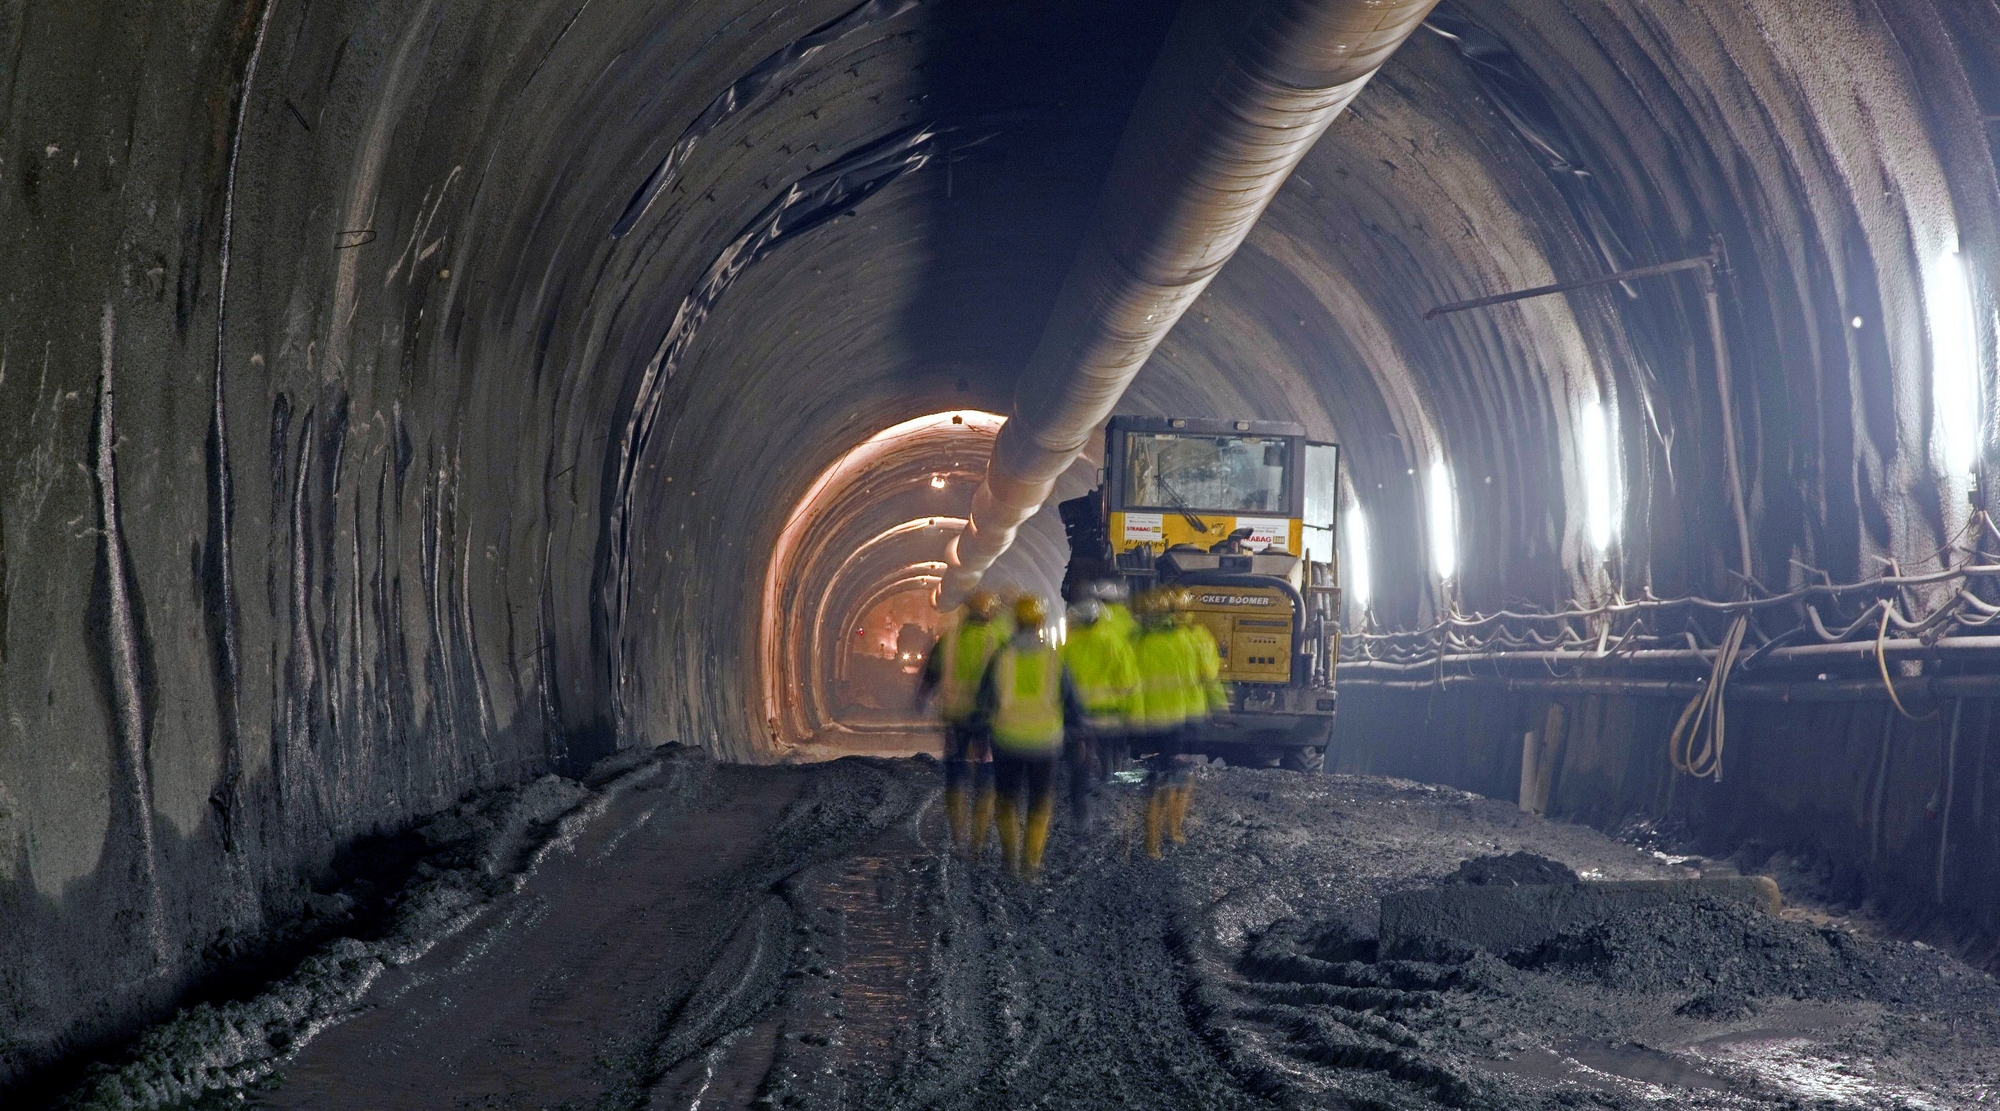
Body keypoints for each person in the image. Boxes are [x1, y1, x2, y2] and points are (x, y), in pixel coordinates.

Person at [974, 594, 1085, 882]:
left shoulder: (1001, 657)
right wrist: (1078, 735)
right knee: (1039, 801)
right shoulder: (1053, 659)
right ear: (1040, 623)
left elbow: (984, 700)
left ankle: (1010, 859)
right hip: (1044, 743)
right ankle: (1031, 863)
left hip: (1007, 739)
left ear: (1015, 622)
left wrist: (980, 735)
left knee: (1007, 799)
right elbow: (1072, 703)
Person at [916, 590, 1009, 854]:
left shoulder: (950, 640)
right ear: (991, 613)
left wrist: (922, 698)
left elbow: (932, 673)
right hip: (987, 719)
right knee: (986, 772)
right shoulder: (999, 640)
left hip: (955, 715)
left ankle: (958, 833)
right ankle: (978, 837)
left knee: (955, 772)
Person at [1130, 589, 1200, 859]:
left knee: (1154, 782)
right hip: (1175, 720)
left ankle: (1151, 842)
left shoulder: (1137, 643)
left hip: (1148, 721)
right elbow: (1194, 680)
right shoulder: (1183, 642)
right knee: (1176, 776)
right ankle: (1173, 831)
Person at [1058, 596, 1139, 831]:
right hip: (1108, 712)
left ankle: (1082, 796)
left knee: (1080, 759)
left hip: (1076, 714)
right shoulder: (1113, 644)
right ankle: (1107, 782)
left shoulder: (1067, 646)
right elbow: (1127, 681)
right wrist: (1130, 711)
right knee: (1107, 749)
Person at [1165, 587, 1227, 848]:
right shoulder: (1200, 638)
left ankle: (1156, 828)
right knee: (1184, 770)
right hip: (1191, 713)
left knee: (1166, 769)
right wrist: (1220, 707)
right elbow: (1210, 678)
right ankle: (1175, 827)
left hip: (1161, 715)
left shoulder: (1152, 639)